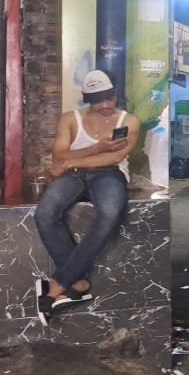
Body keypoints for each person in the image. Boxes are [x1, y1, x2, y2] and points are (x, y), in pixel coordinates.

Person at [34, 69, 140, 326]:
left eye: (109, 98)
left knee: (111, 214)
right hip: (74, 175)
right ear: (87, 99)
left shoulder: (129, 121)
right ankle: (78, 281)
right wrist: (97, 147)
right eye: (97, 101)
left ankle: (60, 282)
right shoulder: (70, 119)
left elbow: (115, 157)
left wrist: (71, 161)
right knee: (45, 213)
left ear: (115, 93)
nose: (105, 105)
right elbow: (59, 155)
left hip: (109, 173)